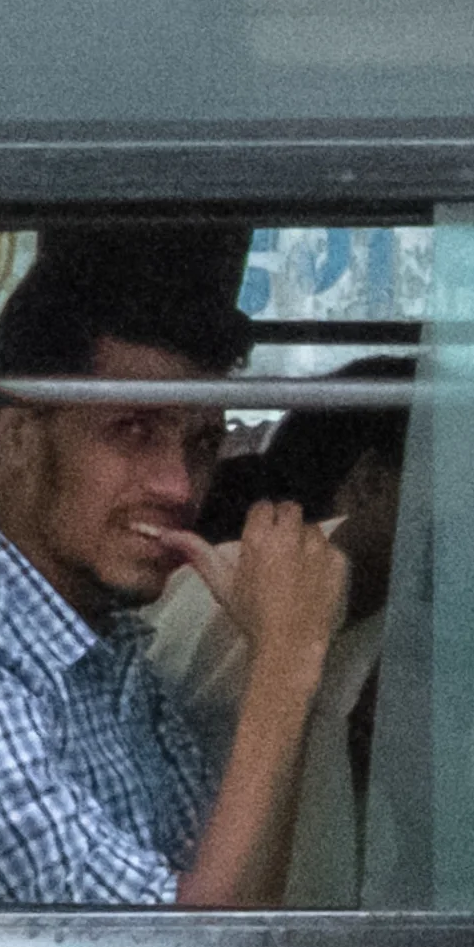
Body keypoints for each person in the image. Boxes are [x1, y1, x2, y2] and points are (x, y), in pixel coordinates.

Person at [0, 231, 346, 907]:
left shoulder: (104, 641)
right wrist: (286, 660)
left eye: (201, 442)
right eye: (133, 432)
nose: (179, 487)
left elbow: (227, 901)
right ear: (16, 435)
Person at [145, 359, 412, 907]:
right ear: (371, 484)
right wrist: (286, 662)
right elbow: (203, 920)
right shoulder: (220, 597)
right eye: (461, 497)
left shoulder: (385, 622)